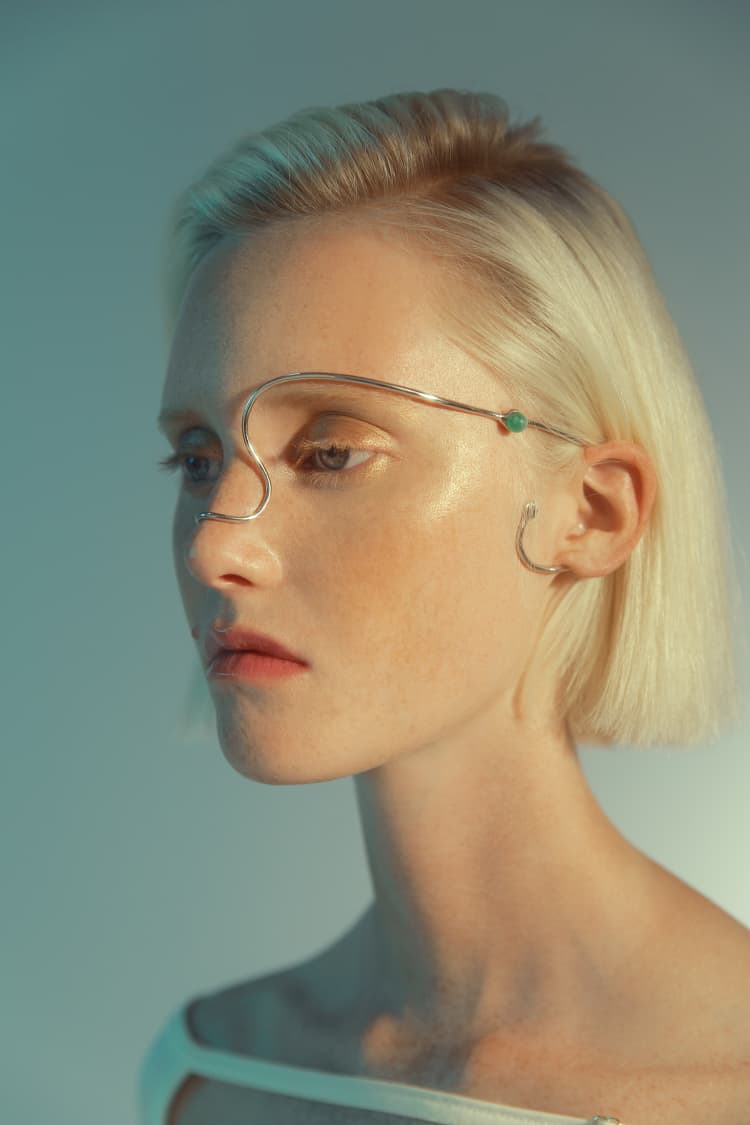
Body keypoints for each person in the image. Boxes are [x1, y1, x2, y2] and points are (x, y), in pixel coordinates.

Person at [140, 89, 750, 1124]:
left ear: (591, 512)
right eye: (198, 458)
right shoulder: (208, 1069)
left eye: (333, 452)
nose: (215, 543)